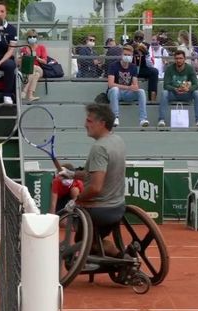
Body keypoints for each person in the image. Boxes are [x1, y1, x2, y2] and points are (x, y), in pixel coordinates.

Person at [58, 103, 126, 257]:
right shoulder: (117, 140)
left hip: (100, 210)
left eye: (89, 121)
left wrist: (76, 200)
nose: (85, 124)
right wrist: (72, 174)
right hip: (118, 207)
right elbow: (94, 174)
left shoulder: (99, 148)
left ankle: (121, 257)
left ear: (102, 123)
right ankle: (113, 251)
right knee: (94, 239)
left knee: (83, 241)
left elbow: (95, 187)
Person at [158, 50, 198, 127]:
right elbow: (166, 85)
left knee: (196, 93)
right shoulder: (169, 68)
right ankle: (161, 120)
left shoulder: (190, 68)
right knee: (164, 93)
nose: (178, 60)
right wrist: (175, 89)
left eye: (181, 58)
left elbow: (195, 85)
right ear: (174, 59)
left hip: (186, 94)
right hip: (173, 94)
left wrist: (188, 89)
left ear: (184, 59)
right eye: (177, 58)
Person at [106, 45, 149, 127]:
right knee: (115, 89)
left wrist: (135, 87)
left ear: (132, 56)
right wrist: (129, 87)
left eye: (129, 55)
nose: (127, 57)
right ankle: (115, 117)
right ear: (121, 55)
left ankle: (143, 119)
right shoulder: (113, 66)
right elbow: (111, 84)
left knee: (141, 91)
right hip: (114, 93)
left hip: (127, 94)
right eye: (125, 54)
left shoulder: (133, 67)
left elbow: (135, 84)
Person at [128, 30, 159, 101]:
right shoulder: (128, 45)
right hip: (131, 69)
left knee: (154, 71)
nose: (138, 40)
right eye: (136, 38)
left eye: (140, 38)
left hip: (142, 69)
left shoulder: (147, 46)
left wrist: (146, 53)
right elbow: (126, 61)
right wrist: (131, 51)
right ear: (133, 38)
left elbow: (151, 65)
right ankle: (129, 96)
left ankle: (152, 98)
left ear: (143, 38)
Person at [19, 29, 47, 102]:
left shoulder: (41, 47)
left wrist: (37, 58)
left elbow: (45, 61)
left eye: (34, 36)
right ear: (27, 38)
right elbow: (19, 62)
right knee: (36, 74)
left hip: (39, 68)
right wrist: (22, 58)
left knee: (34, 68)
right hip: (27, 70)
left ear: (36, 38)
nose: (32, 38)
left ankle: (24, 91)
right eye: (30, 36)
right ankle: (30, 96)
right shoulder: (24, 49)